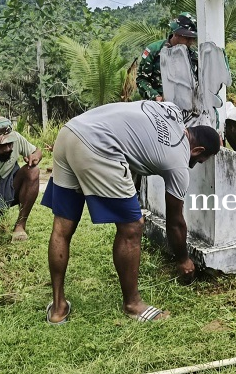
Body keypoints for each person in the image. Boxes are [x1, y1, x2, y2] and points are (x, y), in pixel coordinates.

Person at [41, 101, 221, 324]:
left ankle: (58, 308)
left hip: (70, 132)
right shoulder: (179, 162)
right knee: (132, 226)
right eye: (198, 161)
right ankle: (133, 305)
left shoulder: (171, 111)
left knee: (62, 226)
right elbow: (175, 222)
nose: (193, 165)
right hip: (99, 146)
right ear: (197, 150)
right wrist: (183, 260)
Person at [136, 12, 198, 101]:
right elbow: (141, 79)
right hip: (158, 106)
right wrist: (155, 96)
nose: (191, 41)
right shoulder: (154, 50)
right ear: (176, 34)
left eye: (193, 38)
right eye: (187, 38)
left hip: (187, 106)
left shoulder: (194, 55)